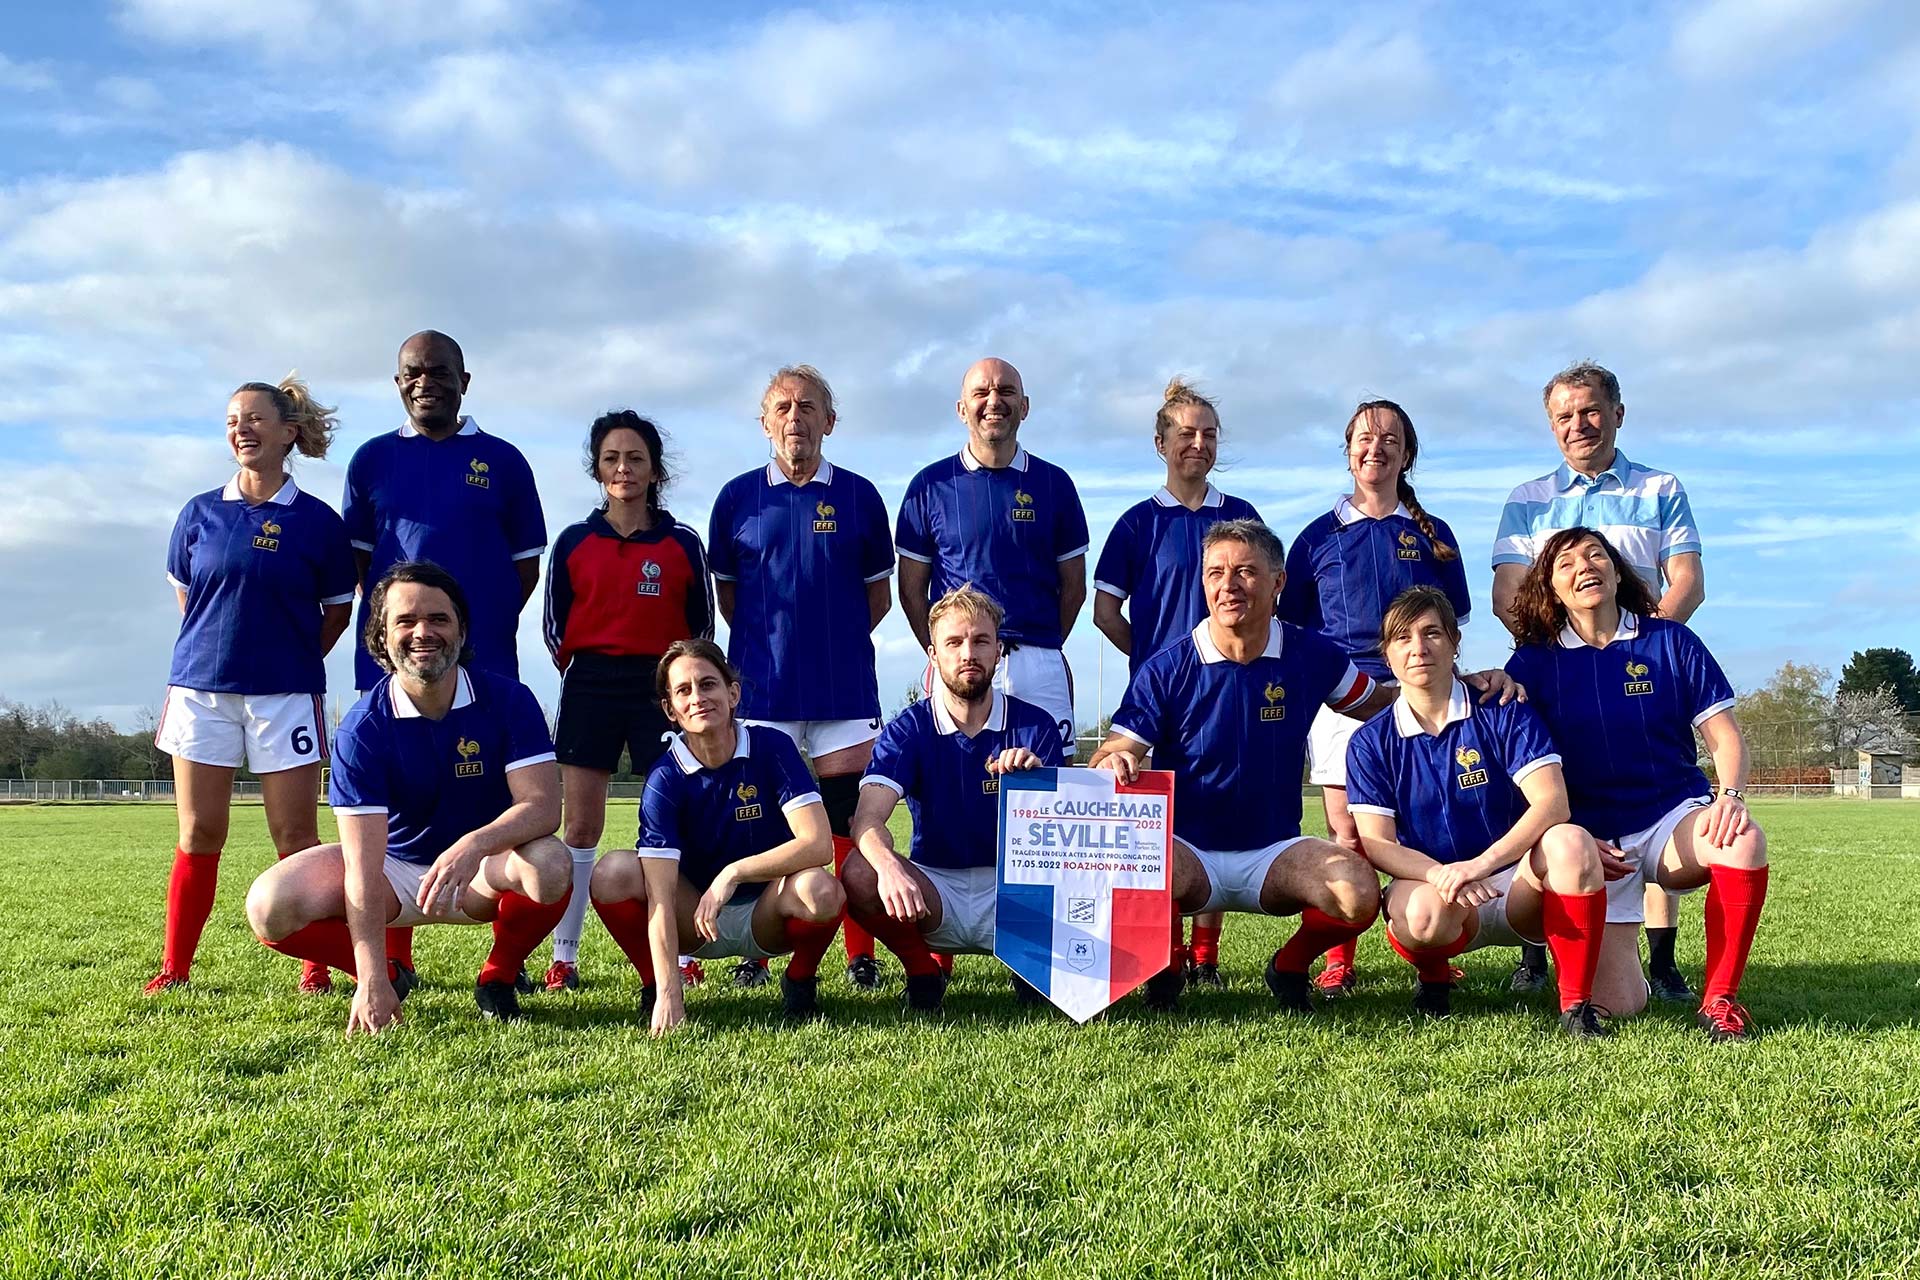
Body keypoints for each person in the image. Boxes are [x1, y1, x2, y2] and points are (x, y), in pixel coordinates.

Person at [244, 562, 573, 1031]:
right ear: (381, 636)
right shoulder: (361, 729)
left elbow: (542, 807)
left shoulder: (509, 700)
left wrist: (474, 844)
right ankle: (386, 974)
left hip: (482, 869)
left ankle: (498, 975)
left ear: (461, 629)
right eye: (406, 621)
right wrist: (370, 978)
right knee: (269, 904)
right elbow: (362, 867)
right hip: (393, 874)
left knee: (551, 864)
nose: (423, 632)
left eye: (439, 619)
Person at [1491, 361, 1705, 999]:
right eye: (1564, 416)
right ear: (1551, 425)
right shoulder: (1528, 498)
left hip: (1643, 675)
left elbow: (1687, 580)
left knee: (1656, 794)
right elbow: (1507, 592)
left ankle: (1662, 961)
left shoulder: (1660, 486)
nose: (1578, 424)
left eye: (1590, 411)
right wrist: (1561, 656)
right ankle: (1538, 952)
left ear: (1617, 413)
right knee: (1551, 799)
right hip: (1559, 678)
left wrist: (1643, 651)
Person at [1504, 528, 1768, 1041]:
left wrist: (1730, 796)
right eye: (1565, 564)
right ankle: (1617, 974)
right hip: (1593, 844)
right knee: (1620, 1005)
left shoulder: (1670, 640)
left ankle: (1720, 1002)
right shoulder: (1533, 662)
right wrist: (1487, 680)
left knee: (1741, 839)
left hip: (1670, 819)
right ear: (1550, 588)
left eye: (1595, 555)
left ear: (1617, 570)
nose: (1584, 567)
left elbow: (1725, 737)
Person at [343, 330, 547, 979]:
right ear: (397, 382)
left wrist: (474, 624)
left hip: (483, 663)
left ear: (465, 381)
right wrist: (410, 632)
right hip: (400, 664)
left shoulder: (504, 460)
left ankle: (503, 963)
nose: (425, 382)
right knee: (396, 810)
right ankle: (393, 958)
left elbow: (524, 569)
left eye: (438, 371)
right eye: (412, 372)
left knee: (503, 807)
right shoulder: (370, 460)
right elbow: (359, 567)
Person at [147, 376, 358, 995]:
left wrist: (287, 660)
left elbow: (337, 612)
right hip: (201, 692)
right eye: (232, 420)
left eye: (255, 419)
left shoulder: (318, 522)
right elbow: (189, 599)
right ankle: (175, 969)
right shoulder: (199, 512)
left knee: (295, 838)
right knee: (199, 832)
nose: (241, 429)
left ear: (289, 432)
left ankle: (316, 966)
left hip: (285, 696)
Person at [1344, 586, 1616, 1034]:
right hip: (1441, 890)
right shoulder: (1370, 742)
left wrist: (1480, 865)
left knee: (1571, 841)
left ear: (1455, 642)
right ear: (1387, 655)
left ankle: (1575, 1007)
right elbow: (1377, 844)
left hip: (1517, 885)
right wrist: (1442, 874)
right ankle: (1434, 980)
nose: (1418, 648)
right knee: (1421, 916)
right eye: (1403, 638)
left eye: (1432, 633)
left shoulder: (1503, 708)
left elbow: (1553, 802)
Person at [1279, 399, 1472, 998]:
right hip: (1343, 700)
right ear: (1347, 452)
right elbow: (1297, 631)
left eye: (1390, 438)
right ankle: (1339, 960)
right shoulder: (1317, 537)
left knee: (1421, 826)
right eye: (1364, 437)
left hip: (1422, 694)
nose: (1376, 447)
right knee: (1349, 835)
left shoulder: (1434, 534)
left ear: (1406, 454)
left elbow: (1455, 623)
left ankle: (1430, 950)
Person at [708, 365, 893, 992]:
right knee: (764, 823)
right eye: (783, 407)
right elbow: (731, 600)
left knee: (848, 824)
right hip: (763, 691)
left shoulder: (860, 497)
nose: (796, 418)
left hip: (844, 689)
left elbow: (877, 599)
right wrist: (775, 647)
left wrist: (829, 641)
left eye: (809, 406)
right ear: (764, 422)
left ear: (829, 422)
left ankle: (860, 954)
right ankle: (759, 952)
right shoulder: (736, 498)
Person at [1092, 378, 1262, 986]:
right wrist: (1154, 664)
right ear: (1160, 443)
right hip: (1157, 702)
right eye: (1186, 433)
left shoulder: (1241, 516)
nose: (1198, 444)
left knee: (1212, 815)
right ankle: (1163, 950)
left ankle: (1206, 958)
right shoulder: (1137, 523)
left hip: (1228, 696)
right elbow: (1105, 612)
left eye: (1209, 434)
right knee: (1153, 823)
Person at [538, 410, 712, 993]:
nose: (623, 468)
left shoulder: (682, 542)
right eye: (611, 458)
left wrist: (674, 682)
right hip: (590, 684)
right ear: (597, 469)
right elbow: (555, 626)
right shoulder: (574, 541)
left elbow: (701, 627)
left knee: (672, 818)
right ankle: (565, 955)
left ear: (655, 469)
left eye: (635, 458)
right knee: (580, 824)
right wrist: (588, 666)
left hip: (660, 687)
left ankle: (681, 954)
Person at [587, 639, 844, 1030]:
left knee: (821, 889)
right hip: (694, 919)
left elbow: (818, 844)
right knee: (612, 872)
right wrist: (669, 993)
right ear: (670, 710)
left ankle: (800, 980)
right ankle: (653, 986)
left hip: (767, 912)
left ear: (733, 693)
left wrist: (733, 873)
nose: (697, 698)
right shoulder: (664, 777)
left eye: (708, 684)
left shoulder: (772, 747)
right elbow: (660, 897)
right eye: (683, 690)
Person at [843, 586, 1065, 1012]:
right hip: (935, 891)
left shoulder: (1036, 726)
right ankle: (921, 972)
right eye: (954, 642)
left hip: (1014, 892)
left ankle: (1030, 965)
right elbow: (867, 820)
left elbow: (1070, 839)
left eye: (981, 641)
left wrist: (1039, 782)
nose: (968, 654)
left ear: (998, 651)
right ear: (933, 655)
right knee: (859, 872)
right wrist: (888, 867)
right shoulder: (908, 729)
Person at [897, 358, 1089, 750]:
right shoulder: (929, 486)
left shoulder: (1055, 484)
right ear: (961, 408)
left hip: (1038, 662)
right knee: (951, 775)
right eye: (981, 392)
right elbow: (910, 591)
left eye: (1006, 391)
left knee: (1049, 779)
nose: (993, 401)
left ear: (1025, 406)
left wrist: (1041, 643)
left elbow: (1074, 587)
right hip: (961, 659)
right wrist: (945, 649)